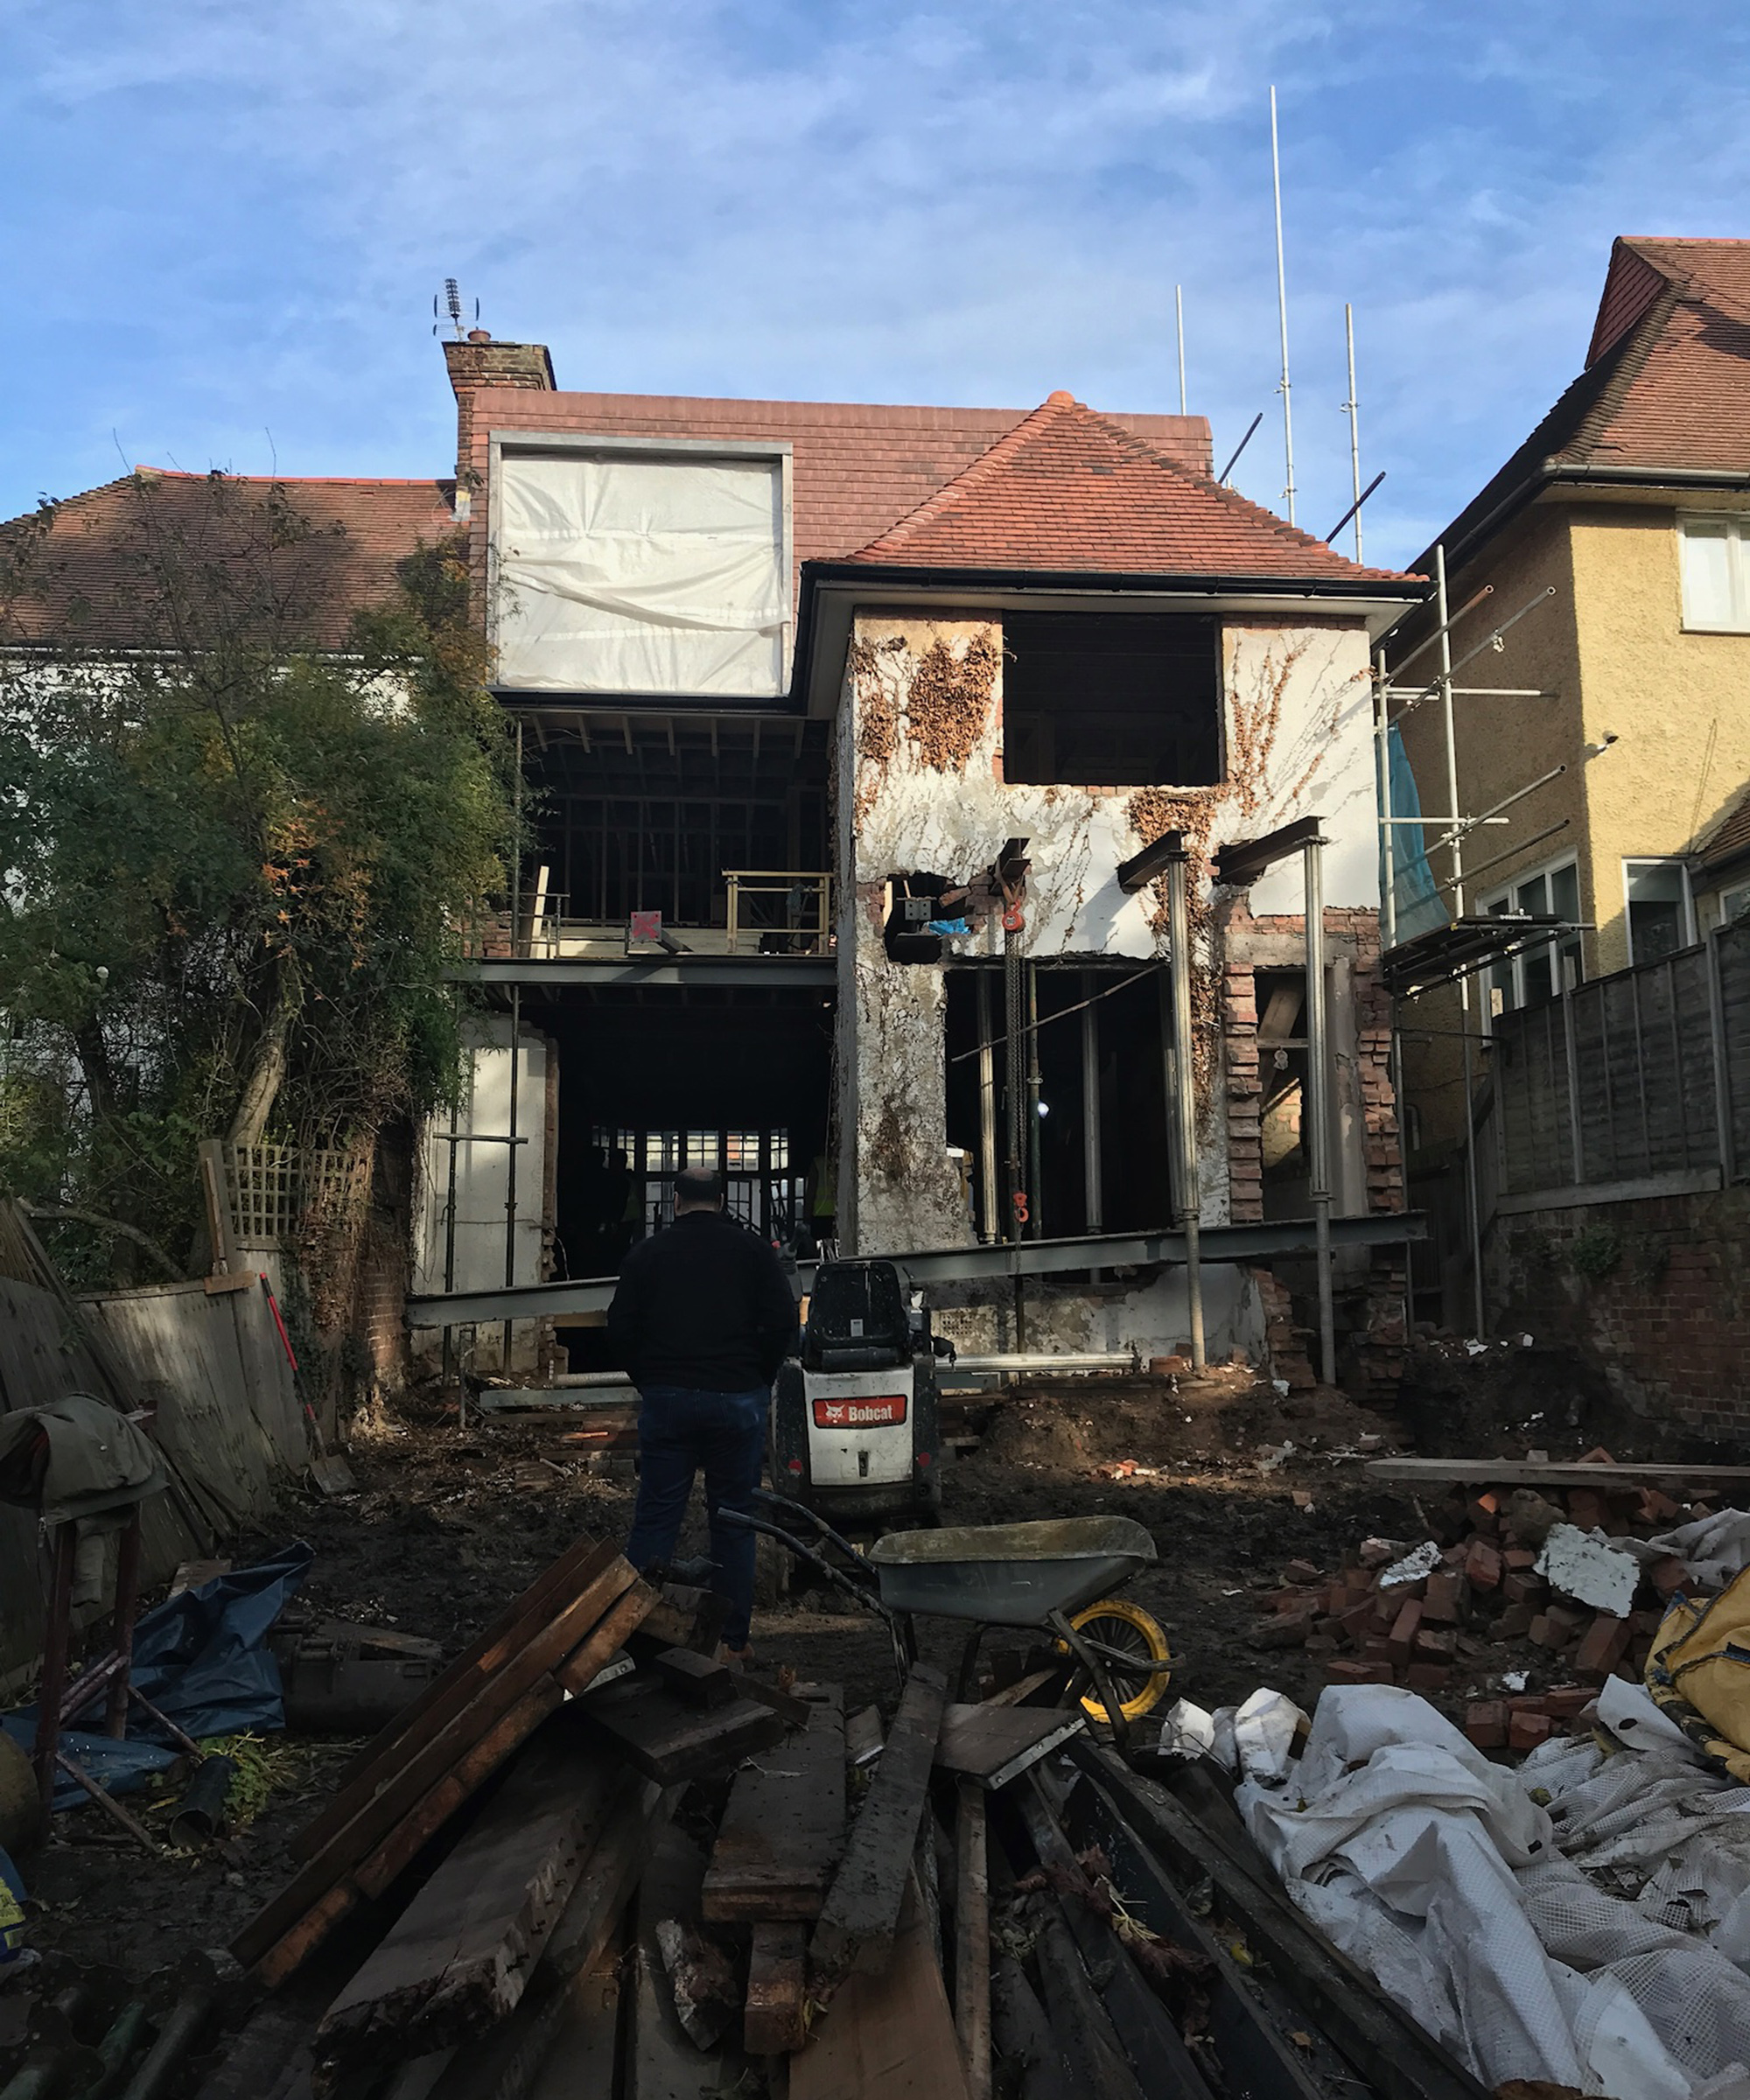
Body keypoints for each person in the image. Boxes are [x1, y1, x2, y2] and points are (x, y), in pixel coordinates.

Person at [608, 1165, 797, 1662]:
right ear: (721, 1200)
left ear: (674, 1201)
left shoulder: (646, 1255)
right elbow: (783, 1322)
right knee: (733, 1521)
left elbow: (620, 1328)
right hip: (736, 1401)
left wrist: (649, 1380)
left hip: (668, 1400)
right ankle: (731, 1642)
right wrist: (757, 1378)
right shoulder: (755, 1253)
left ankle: (635, 1638)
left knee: (655, 1520)